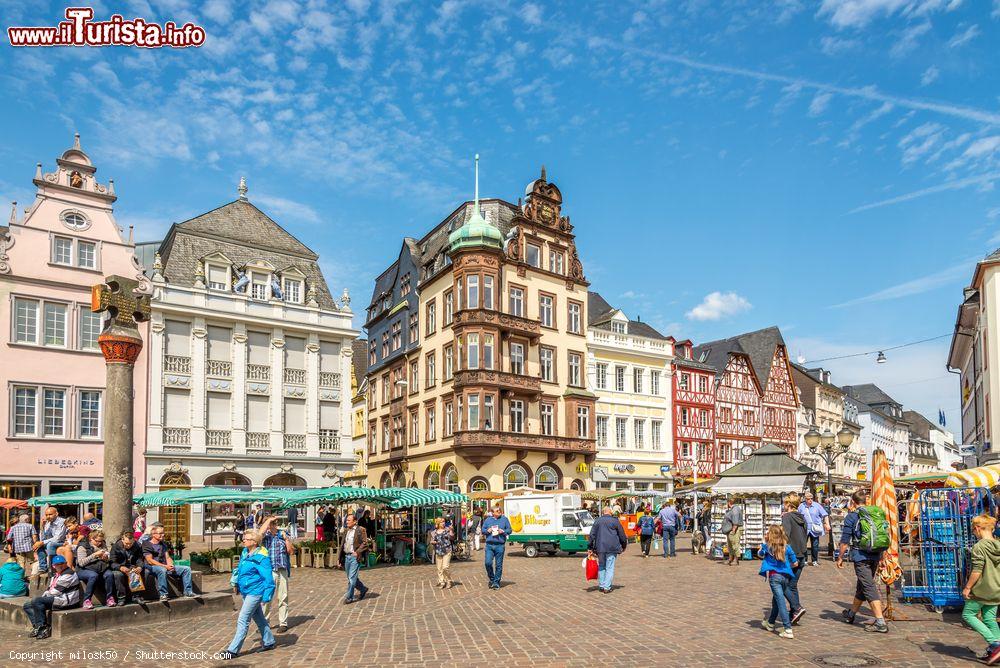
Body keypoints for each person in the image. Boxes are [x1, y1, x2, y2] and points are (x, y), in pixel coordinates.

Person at [836, 490, 888, 633]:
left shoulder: (852, 517)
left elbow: (845, 540)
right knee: (863, 585)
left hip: (861, 556)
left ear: (853, 502)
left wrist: (840, 557)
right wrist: (882, 556)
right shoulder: (876, 513)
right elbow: (881, 535)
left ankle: (880, 622)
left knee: (868, 586)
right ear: (866, 501)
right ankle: (851, 614)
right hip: (875, 554)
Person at [220, 529, 276, 660]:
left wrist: (267, 596)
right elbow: (239, 570)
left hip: (255, 592)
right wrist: (236, 584)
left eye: (246, 539)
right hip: (246, 591)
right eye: (244, 538)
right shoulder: (245, 553)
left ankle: (232, 650)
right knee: (259, 618)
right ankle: (269, 641)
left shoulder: (261, 558)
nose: (243, 540)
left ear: (254, 542)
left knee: (243, 619)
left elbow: (269, 579)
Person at [962, 514, 1000, 664]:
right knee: (990, 618)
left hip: (982, 589)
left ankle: (995, 644)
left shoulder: (979, 546)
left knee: (968, 615)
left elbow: (977, 570)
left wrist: (967, 587)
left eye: (973, 530)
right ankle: (995, 652)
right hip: (997, 589)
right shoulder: (998, 544)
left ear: (977, 528)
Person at [22, 555, 79, 639]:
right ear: (53, 566)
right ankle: (37, 626)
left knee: (37, 601)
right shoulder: (56, 575)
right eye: (57, 564)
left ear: (66, 563)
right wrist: (44, 596)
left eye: (62, 563)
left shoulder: (69, 574)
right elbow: (49, 589)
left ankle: (43, 628)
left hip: (67, 601)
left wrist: (43, 597)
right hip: (57, 599)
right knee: (27, 605)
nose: (60, 565)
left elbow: (56, 592)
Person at [758, 524, 799, 639]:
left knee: (780, 602)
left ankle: (787, 628)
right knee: (776, 600)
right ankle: (770, 623)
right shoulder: (787, 546)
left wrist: (763, 544)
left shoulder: (768, 546)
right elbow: (795, 563)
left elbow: (760, 554)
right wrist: (787, 567)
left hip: (774, 577)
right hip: (785, 576)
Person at [142, 524, 195, 601]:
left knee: (186, 569)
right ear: (153, 534)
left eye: (163, 533)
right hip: (152, 567)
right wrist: (165, 566)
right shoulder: (147, 544)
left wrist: (171, 565)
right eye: (160, 533)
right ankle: (163, 594)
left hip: (164, 566)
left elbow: (167, 557)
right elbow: (150, 560)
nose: (163, 535)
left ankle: (188, 592)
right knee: (162, 570)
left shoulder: (163, 544)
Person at [261, 516, 294, 634]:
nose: (272, 526)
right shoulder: (265, 537)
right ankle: (264, 622)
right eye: (270, 524)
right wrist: (267, 521)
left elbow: (291, 551)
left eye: (274, 524)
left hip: (282, 570)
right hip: (269, 571)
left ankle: (283, 623)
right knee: (266, 598)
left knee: (283, 597)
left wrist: (286, 540)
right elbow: (259, 534)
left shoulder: (282, 535)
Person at [780, 493, 808, 626]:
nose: (783, 506)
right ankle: (794, 614)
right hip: (802, 555)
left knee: (782, 584)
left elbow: (785, 536)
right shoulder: (802, 517)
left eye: (785, 503)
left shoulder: (787, 517)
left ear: (789, 505)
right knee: (792, 585)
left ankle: (797, 607)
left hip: (791, 556)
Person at [588, 507, 628, 594]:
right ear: (610, 512)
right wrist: (624, 545)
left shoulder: (597, 521)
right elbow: (622, 535)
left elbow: (592, 535)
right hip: (612, 547)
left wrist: (590, 547)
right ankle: (607, 587)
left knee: (602, 566)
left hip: (600, 548)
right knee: (609, 567)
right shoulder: (615, 521)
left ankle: (602, 585)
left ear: (603, 513)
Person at [76, 529, 116, 609]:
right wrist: (94, 555)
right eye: (97, 541)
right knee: (93, 576)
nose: (100, 543)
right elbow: (81, 563)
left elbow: (108, 558)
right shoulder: (82, 546)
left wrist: (105, 558)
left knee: (109, 574)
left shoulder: (103, 544)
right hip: (84, 569)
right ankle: (87, 600)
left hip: (100, 567)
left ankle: (109, 598)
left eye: (101, 541)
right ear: (91, 539)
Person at [337, 513, 370, 604]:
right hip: (347, 557)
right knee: (351, 577)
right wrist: (339, 559)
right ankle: (363, 589)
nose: (346, 522)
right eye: (346, 520)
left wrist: (358, 552)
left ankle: (349, 597)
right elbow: (342, 545)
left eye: (348, 520)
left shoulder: (361, 530)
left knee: (352, 577)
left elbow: (365, 543)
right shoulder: (346, 531)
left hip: (355, 557)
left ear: (355, 521)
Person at [481, 505, 512, 590]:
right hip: (489, 545)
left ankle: (496, 582)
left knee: (498, 565)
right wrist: (487, 531)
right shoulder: (488, 520)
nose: (499, 511)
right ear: (493, 512)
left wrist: (503, 531)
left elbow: (510, 530)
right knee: (488, 563)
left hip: (500, 545)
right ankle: (492, 579)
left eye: (500, 510)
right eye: (497, 511)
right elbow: (482, 531)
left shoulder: (504, 519)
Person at [109, 530, 143, 605]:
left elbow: (139, 559)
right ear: (122, 540)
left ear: (134, 540)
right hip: (119, 567)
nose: (128, 545)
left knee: (139, 572)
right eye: (126, 543)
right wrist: (120, 567)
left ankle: (136, 596)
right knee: (118, 575)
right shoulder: (116, 546)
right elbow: (112, 562)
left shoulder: (138, 545)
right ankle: (121, 598)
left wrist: (140, 566)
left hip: (132, 566)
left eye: (131, 543)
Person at [798, 492, 830, 566]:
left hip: (815, 529)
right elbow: (798, 516)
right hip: (804, 529)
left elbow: (825, 515)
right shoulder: (801, 506)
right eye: (808, 499)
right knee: (803, 545)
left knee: (815, 545)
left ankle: (814, 560)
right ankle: (804, 560)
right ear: (805, 499)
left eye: (811, 498)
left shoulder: (817, 506)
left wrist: (827, 524)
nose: (810, 500)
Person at [33, 507, 66, 575]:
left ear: (56, 514)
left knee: (50, 544)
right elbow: (44, 539)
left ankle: (53, 568)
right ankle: (43, 568)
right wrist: (42, 527)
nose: (48, 517)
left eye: (50, 514)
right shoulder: (48, 523)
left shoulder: (62, 522)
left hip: (63, 542)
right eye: (46, 515)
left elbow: (58, 538)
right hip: (52, 542)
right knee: (39, 546)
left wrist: (42, 542)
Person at [431, 517, 455, 588]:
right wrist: (433, 542)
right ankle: (442, 581)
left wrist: (451, 530)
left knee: (445, 567)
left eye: (444, 521)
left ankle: (449, 580)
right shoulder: (434, 532)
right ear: (438, 523)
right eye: (441, 522)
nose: (443, 523)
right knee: (439, 569)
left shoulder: (447, 529)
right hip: (438, 551)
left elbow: (452, 537)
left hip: (447, 550)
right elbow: (432, 540)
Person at [722, 498, 744, 566]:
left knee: (734, 544)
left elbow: (735, 521)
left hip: (735, 529)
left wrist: (733, 530)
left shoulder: (735, 509)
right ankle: (731, 559)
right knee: (730, 545)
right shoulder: (733, 509)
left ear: (729, 503)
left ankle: (736, 559)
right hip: (731, 529)